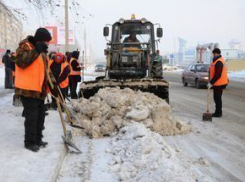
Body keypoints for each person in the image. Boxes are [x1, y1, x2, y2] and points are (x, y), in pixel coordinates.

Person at [14, 27, 53, 152]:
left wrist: (54, 84)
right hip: (28, 90)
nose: (48, 44)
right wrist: (36, 50)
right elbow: (21, 62)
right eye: (47, 41)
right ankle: (29, 142)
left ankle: (37, 139)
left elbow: (46, 70)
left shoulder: (42, 52)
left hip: (39, 91)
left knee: (41, 117)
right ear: (40, 40)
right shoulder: (25, 46)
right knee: (32, 118)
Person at [209, 48, 228, 117]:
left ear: (217, 53)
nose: (213, 55)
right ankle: (218, 112)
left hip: (219, 83)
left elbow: (218, 74)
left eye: (214, 54)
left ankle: (218, 113)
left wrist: (211, 82)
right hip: (218, 83)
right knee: (217, 98)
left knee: (217, 98)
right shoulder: (216, 61)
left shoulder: (219, 62)